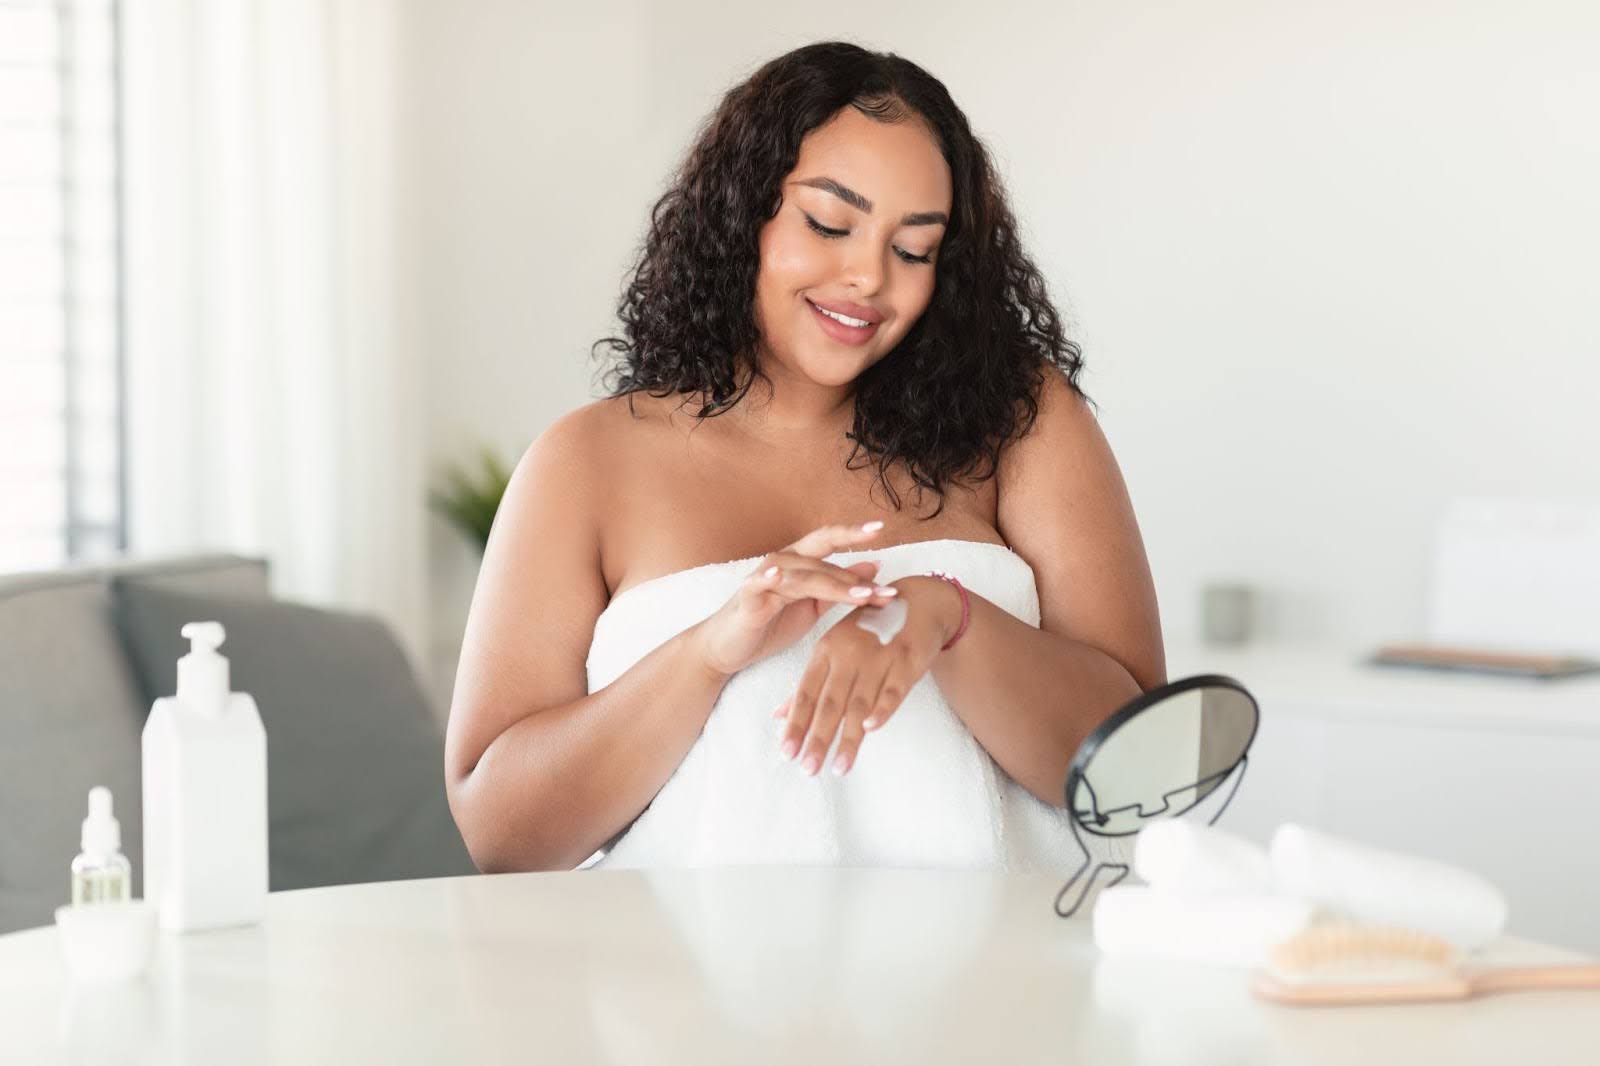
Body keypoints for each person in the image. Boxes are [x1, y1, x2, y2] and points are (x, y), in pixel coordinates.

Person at [444, 41, 1165, 873]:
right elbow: (502, 837)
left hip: (1001, 989)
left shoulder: (1019, 424)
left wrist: (946, 619)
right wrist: (711, 650)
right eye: (829, 224)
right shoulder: (585, 462)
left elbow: (1144, 775)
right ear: (742, 214)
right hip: (678, 994)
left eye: (914, 249)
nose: (868, 276)